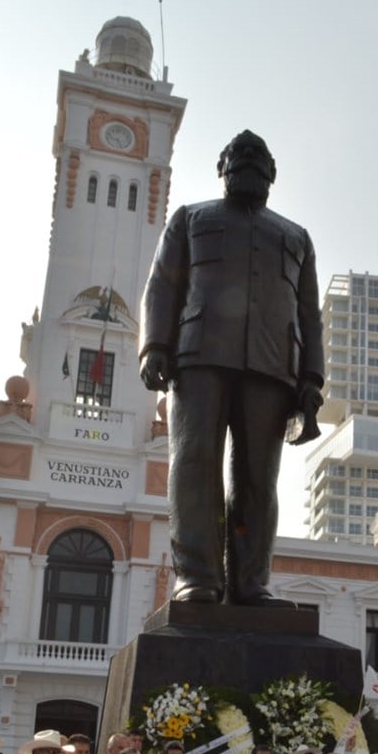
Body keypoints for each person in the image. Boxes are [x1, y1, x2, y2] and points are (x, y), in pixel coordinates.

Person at [139, 130, 324, 606]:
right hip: (198, 357)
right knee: (195, 462)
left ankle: (250, 582)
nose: (248, 161)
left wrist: (312, 381)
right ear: (220, 168)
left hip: (272, 367)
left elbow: (310, 316)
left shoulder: (296, 237)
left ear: (273, 174)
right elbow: (162, 284)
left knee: (258, 479)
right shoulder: (189, 219)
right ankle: (197, 576)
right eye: (237, 155)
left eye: (258, 157)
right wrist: (154, 346)